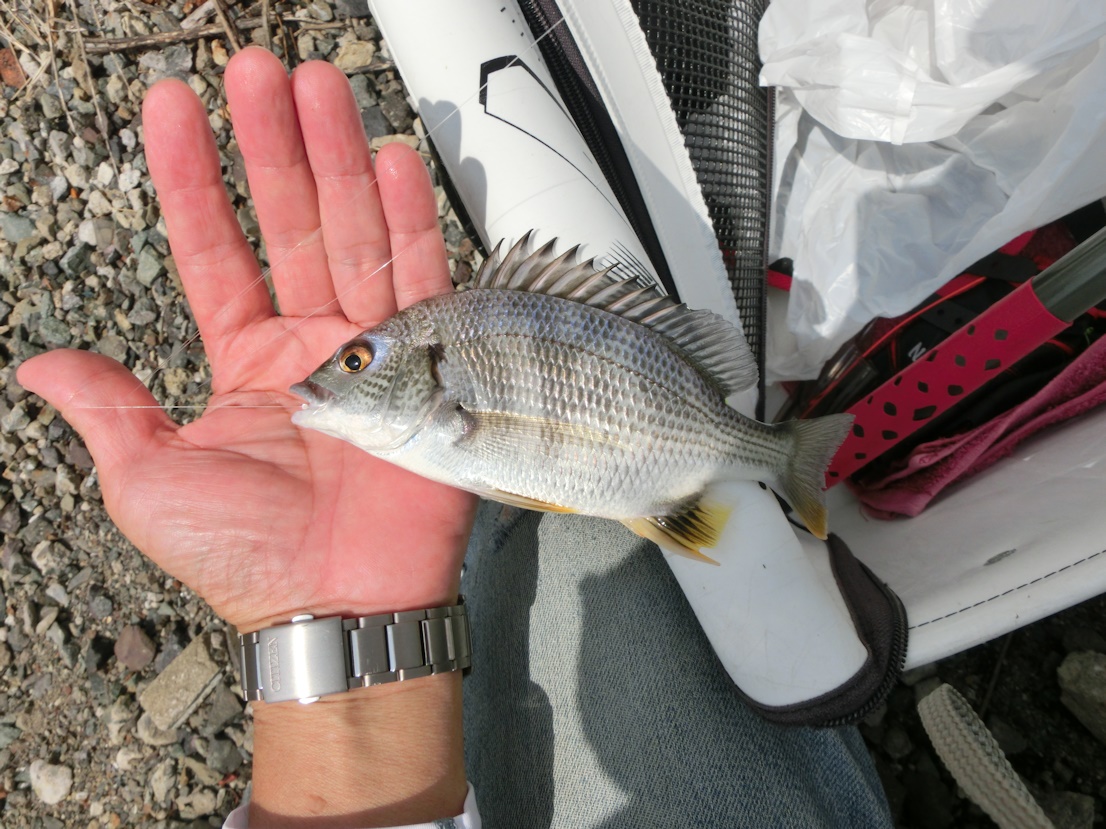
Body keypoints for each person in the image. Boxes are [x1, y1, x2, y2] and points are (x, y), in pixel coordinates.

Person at [17, 47, 893, 828]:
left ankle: (778, 455)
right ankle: (775, 457)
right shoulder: (433, 389)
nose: (333, 375)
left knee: (545, 546)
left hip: (628, 470)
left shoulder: (442, 384)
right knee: (583, 559)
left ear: (431, 371)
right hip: (626, 476)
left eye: (355, 360)